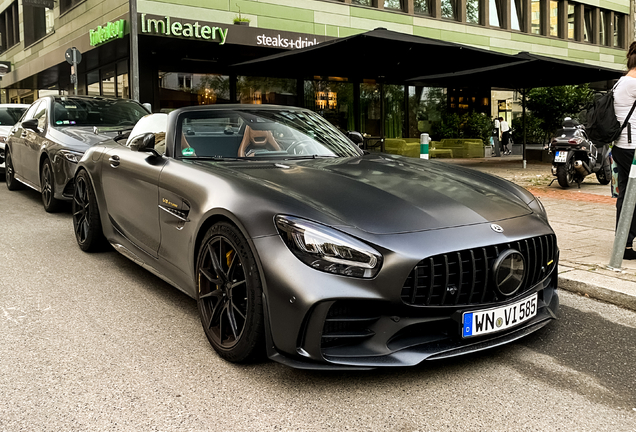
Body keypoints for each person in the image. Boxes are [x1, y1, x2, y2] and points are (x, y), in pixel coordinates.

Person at [612, 41, 636, 260]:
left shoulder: (620, 82)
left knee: (627, 195)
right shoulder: (633, 84)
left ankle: (625, 244)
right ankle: (626, 242)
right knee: (631, 196)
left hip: (621, 147)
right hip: (632, 149)